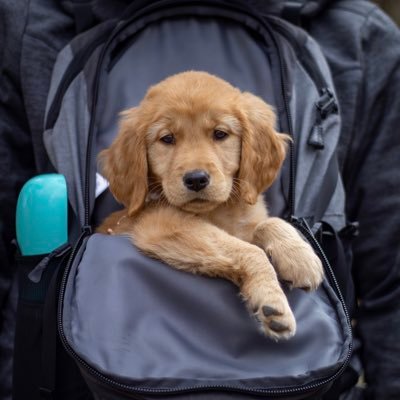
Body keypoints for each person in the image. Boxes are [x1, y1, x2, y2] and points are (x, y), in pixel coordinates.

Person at [0, 0, 399, 399]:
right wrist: (250, 263)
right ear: (136, 158)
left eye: (220, 135)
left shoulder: (358, 32)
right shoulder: (25, 21)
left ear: (252, 149)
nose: (195, 168)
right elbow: (158, 231)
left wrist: (275, 233)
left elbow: (389, 257)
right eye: (167, 139)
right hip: (120, 369)